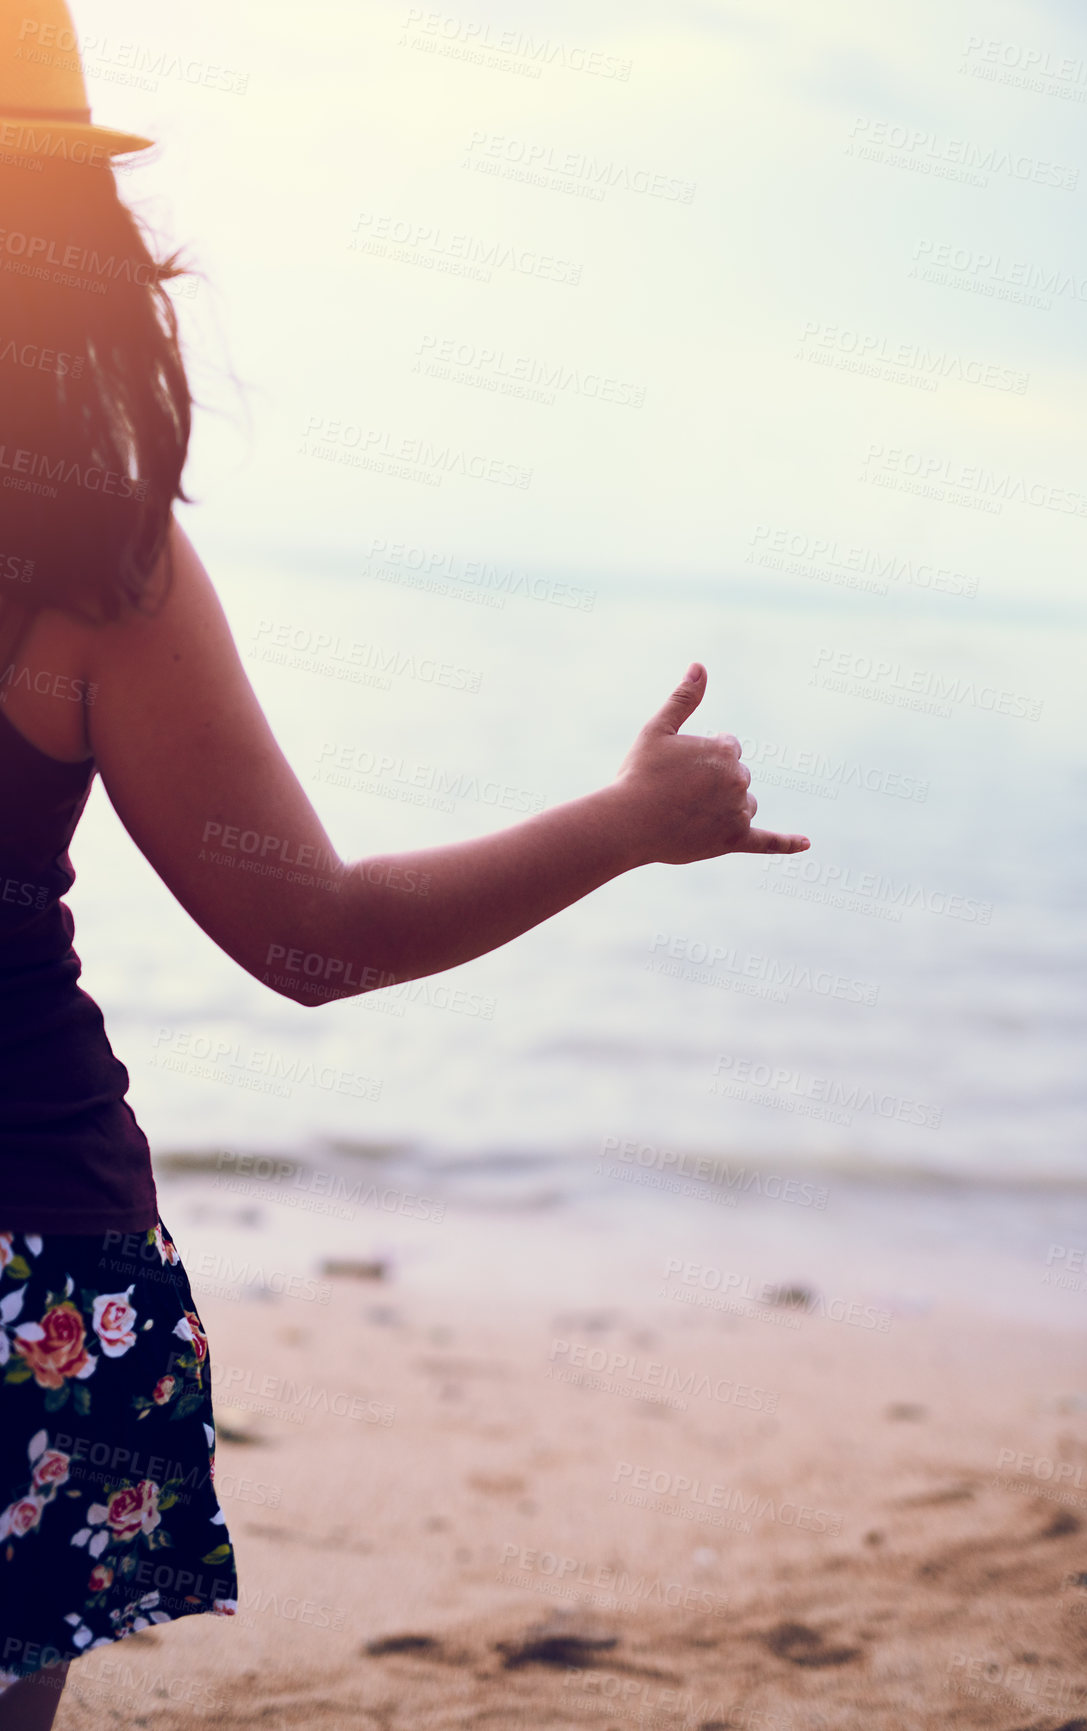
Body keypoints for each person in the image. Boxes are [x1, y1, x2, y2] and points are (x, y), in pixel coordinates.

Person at [0, 4, 808, 1724]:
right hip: (36, 1268)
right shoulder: (84, 568)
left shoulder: (92, 560)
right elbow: (316, 937)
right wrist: (629, 823)